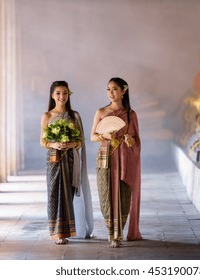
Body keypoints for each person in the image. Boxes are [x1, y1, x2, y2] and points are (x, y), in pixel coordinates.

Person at [90, 77, 142, 248]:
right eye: (108, 89)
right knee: (106, 193)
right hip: (106, 157)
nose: (111, 93)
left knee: (123, 195)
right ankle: (111, 233)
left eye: (114, 89)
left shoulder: (130, 114)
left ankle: (118, 235)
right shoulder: (101, 112)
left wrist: (129, 140)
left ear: (123, 91)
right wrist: (104, 135)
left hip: (124, 158)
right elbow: (92, 136)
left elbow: (135, 140)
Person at [40, 80, 94, 245]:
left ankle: (67, 231)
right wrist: (54, 144)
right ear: (52, 95)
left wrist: (70, 145)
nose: (61, 96)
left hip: (71, 160)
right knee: (54, 194)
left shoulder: (74, 116)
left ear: (68, 95)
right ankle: (57, 233)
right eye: (58, 93)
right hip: (54, 161)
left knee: (68, 195)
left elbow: (80, 142)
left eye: (64, 93)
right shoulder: (47, 116)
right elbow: (42, 141)